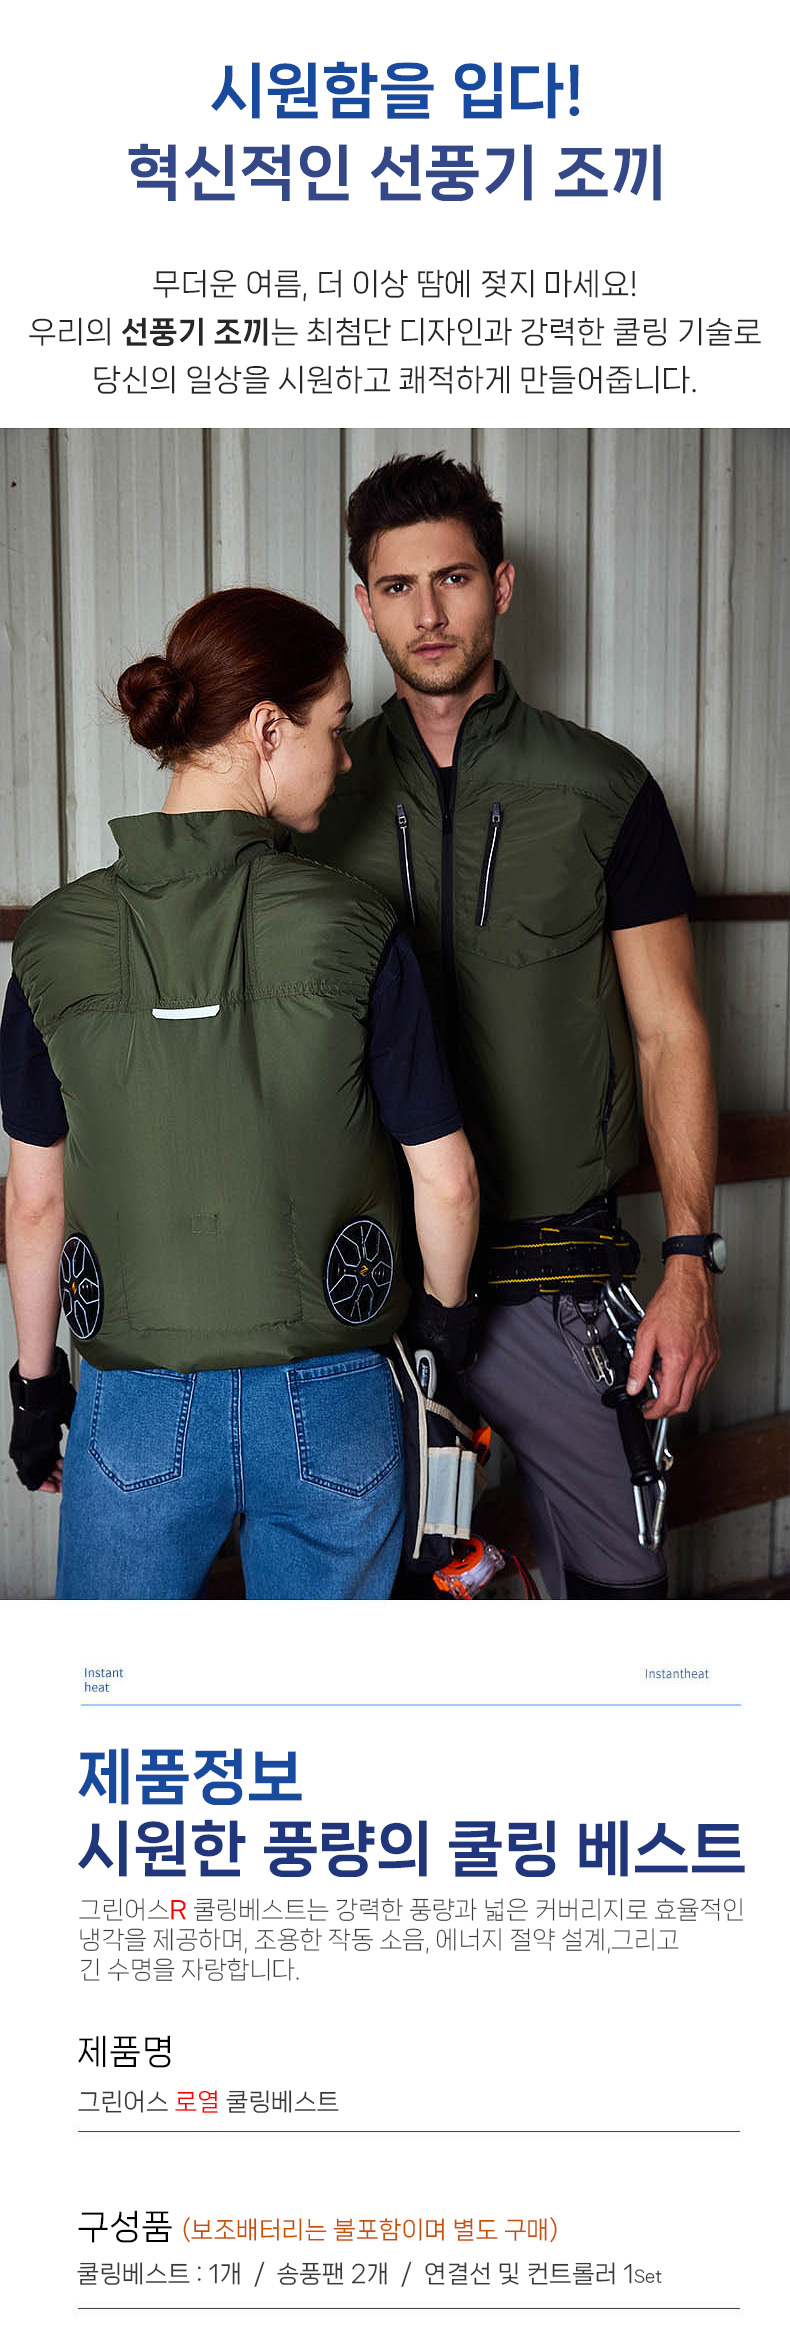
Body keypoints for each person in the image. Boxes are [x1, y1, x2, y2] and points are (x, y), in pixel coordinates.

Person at [300, 452, 723, 1599]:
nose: (428, 614)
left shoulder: (603, 789)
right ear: (365, 604)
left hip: (557, 1276)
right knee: (390, 1594)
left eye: (452, 579)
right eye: (397, 587)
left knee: (622, 1588)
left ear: (501, 584)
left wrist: (691, 1263)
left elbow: (670, 1032)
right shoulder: (319, 798)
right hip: (375, 1278)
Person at [2, 586, 479, 1598]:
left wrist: (37, 1389)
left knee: (111, 1685)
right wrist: (442, 1336)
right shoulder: (359, 926)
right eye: (334, 728)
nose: (343, 760)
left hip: (136, 1406)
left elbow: (35, 1200)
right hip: (336, 1399)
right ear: (268, 730)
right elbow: (445, 1179)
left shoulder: (50, 942)